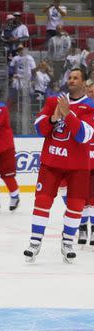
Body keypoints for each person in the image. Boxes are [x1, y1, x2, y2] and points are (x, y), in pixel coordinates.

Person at [25, 68, 94, 263]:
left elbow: (85, 136)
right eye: (69, 77)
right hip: (51, 163)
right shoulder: (52, 101)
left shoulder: (90, 106)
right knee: (42, 201)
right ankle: (35, 241)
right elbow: (39, 128)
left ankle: (68, 242)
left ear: (84, 82)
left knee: (75, 205)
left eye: (76, 78)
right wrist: (54, 118)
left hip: (78, 166)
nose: (71, 80)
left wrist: (68, 114)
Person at [78, 78, 94, 245]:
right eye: (90, 91)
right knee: (81, 196)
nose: (92, 95)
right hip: (82, 159)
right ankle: (81, 227)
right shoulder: (82, 109)